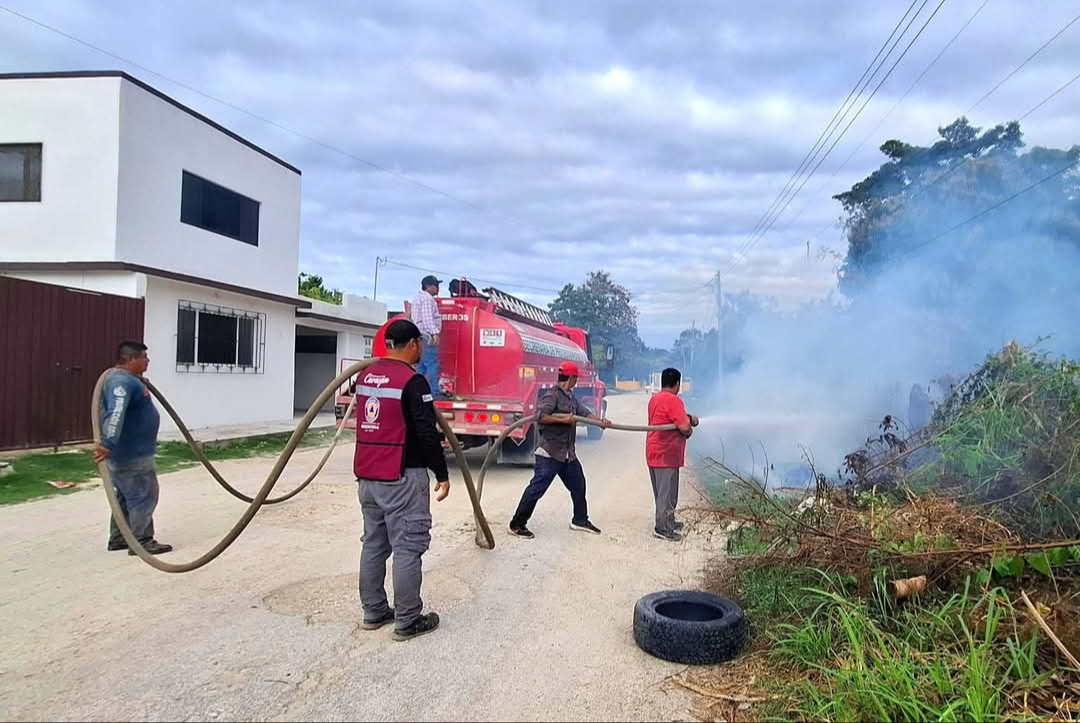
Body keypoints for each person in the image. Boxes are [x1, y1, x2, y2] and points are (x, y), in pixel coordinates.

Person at [354, 319, 450, 641]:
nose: (422, 348)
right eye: (420, 343)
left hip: (368, 476)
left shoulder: (367, 375)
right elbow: (425, 432)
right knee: (408, 547)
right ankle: (408, 620)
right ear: (411, 344)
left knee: (374, 544)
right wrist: (442, 473)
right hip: (401, 475)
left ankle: (374, 611)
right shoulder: (413, 381)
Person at [508, 361, 611, 539]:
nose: (576, 382)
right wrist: (564, 420)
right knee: (536, 489)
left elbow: (584, 412)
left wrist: (600, 421)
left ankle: (580, 520)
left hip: (566, 455)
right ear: (570, 378)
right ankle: (517, 524)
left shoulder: (570, 397)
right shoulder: (552, 396)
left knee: (578, 484)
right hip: (549, 453)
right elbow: (540, 416)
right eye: (575, 379)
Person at [93, 341, 173, 556]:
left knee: (126, 496)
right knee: (144, 495)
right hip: (132, 455)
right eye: (144, 357)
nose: (148, 361)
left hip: (128, 454)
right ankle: (141, 541)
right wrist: (107, 443)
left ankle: (119, 538)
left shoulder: (127, 380)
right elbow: (115, 413)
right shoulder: (121, 382)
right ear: (131, 360)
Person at [646, 368, 699, 542]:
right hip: (666, 453)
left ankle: (669, 521)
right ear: (677, 384)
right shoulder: (674, 400)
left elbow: (670, 418)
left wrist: (689, 417)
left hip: (654, 451)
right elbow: (684, 427)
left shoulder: (655, 399)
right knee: (666, 493)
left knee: (664, 491)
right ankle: (662, 528)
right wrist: (690, 428)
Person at [410, 275, 445, 399]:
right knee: (431, 364)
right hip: (426, 336)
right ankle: (434, 393)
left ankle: (419, 392)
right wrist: (434, 333)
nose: (438, 289)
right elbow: (427, 319)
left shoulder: (417, 298)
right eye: (436, 286)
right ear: (429, 286)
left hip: (419, 336)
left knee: (420, 366)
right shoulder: (427, 299)